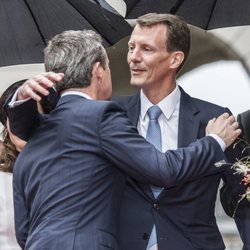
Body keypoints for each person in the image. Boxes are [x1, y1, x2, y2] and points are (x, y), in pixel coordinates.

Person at [5, 30, 240, 250]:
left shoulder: (36, 134)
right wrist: (214, 141)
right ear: (98, 70)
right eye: (108, 67)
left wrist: (18, 102)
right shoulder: (101, 115)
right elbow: (163, 169)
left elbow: (24, 231)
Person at [112, 13, 249, 250]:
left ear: (175, 59)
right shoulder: (110, 115)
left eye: (146, 49)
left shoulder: (217, 119)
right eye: (131, 47)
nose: (133, 57)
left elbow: (243, 195)